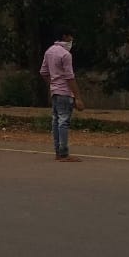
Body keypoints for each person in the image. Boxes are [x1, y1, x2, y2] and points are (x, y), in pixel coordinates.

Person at [40, 27, 86, 162]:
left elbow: (43, 72)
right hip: (65, 92)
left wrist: (52, 84)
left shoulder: (49, 51)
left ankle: (58, 152)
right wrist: (78, 97)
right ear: (65, 37)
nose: (72, 40)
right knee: (64, 122)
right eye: (70, 37)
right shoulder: (65, 54)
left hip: (54, 91)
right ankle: (64, 153)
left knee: (56, 121)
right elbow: (70, 77)